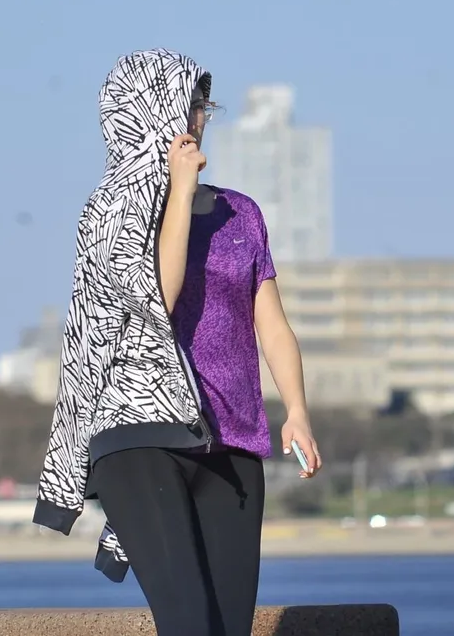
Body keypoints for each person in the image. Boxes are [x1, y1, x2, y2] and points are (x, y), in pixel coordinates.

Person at [33, 48, 322, 636]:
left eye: (203, 107)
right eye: (189, 106)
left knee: (228, 628)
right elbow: (158, 298)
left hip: (234, 439)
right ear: (147, 113)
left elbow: (271, 321)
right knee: (190, 624)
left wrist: (296, 411)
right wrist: (180, 195)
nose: (199, 120)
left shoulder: (241, 213)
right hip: (141, 436)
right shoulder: (109, 210)